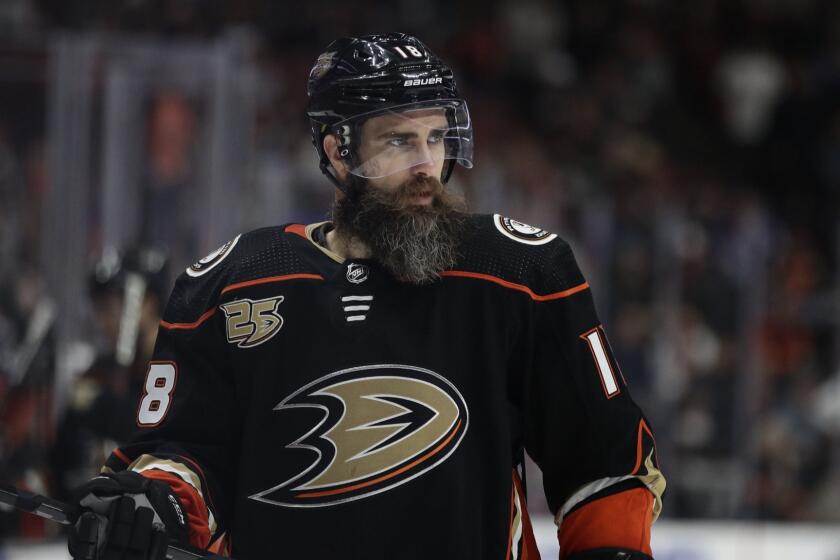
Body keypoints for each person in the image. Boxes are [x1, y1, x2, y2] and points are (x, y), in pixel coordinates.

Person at [67, 32, 665, 560]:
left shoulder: (519, 273)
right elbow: (181, 453)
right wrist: (150, 506)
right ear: (338, 151)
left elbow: (605, 461)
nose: (428, 164)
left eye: (437, 137)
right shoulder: (230, 284)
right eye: (400, 142)